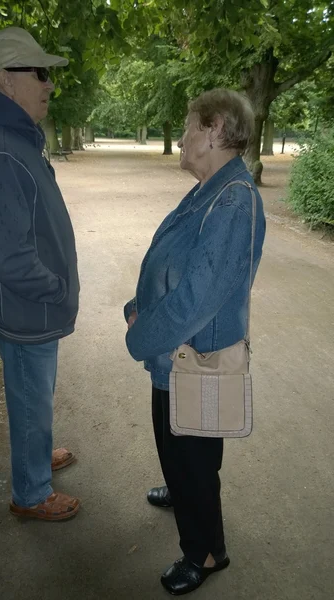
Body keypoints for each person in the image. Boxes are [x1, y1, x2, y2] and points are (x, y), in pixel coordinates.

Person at [124, 89, 266, 595]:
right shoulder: (211, 187)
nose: (181, 137)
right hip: (178, 354)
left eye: (187, 126)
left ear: (214, 128)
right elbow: (174, 264)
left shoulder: (233, 201)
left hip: (195, 357)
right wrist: (140, 305)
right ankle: (183, 493)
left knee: (195, 459)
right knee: (178, 443)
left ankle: (205, 552)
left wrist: (139, 334)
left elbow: (197, 300)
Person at [0, 27, 80, 521]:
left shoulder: (13, 138)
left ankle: (37, 455)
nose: (49, 84)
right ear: (5, 81)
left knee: (36, 391)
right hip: (29, 306)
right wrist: (55, 289)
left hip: (35, 306)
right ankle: (31, 493)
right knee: (31, 393)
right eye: (39, 73)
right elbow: (8, 257)